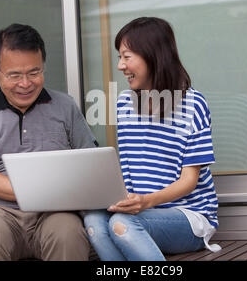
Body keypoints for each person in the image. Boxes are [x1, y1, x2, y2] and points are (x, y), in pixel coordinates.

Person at [83, 17, 220, 261]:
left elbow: (189, 181)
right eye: (119, 57)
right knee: (93, 221)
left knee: (121, 225)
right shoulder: (125, 103)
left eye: (127, 56)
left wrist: (146, 202)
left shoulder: (193, 104)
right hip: (139, 212)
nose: (120, 66)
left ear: (153, 55)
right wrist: (122, 199)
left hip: (188, 216)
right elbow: (127, 169)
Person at [0, 23, 97, 261]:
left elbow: (92, 164)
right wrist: (50, 192)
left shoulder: (66, 107)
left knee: (69, 236)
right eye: (14, 75)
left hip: (56, 214)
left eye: (34, 73)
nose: (25, 83)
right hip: (1, 213)